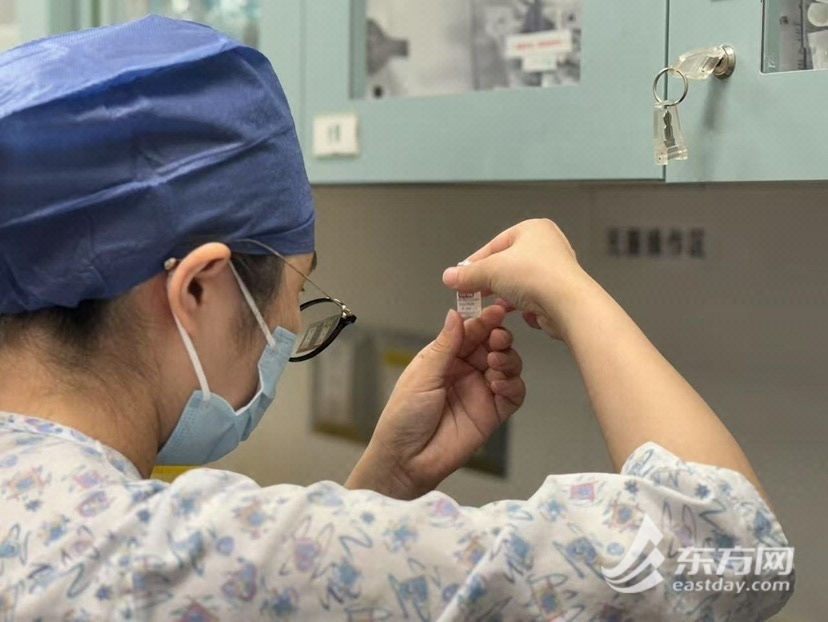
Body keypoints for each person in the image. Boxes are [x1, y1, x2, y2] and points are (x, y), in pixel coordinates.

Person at [0, 16, 791, 622]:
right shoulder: (168, 555)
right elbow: (730, 553)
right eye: (296, 292)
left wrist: (382, 486)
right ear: (200, 290)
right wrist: (571, 289)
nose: (289, 328)